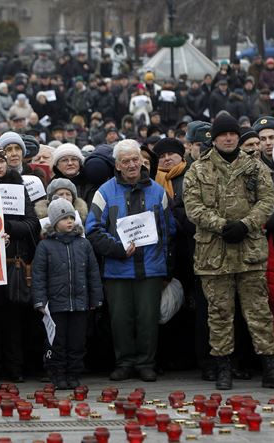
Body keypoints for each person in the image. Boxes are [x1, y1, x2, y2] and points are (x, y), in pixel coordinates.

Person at [183, 113, 274, 390]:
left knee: (259, 313)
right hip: (215, 254)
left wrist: (246, 225)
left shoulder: (256, 167)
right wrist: (223, 226)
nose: (228, 138)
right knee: (219, 314)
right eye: (223, 134)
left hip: (249, 251)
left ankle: (269, 365)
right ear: (215, 138)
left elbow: (268, 200)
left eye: (232, 134)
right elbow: (193, 208)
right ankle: (222, 367)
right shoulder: (198, 170)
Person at [86, 139, 175, 382]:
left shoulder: (158, 191)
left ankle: (147, 363)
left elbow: (169, 231)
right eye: (126, 161)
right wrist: (117, 249)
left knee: (148, 319)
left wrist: (167, 267)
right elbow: (92, 230)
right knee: (120, 320)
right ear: (117, 165)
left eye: (135, 159)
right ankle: (124, 362)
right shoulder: (104, 192)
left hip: (151, 267)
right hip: (117, 269)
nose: (132, 164)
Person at [0, 146, 40, 383]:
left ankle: (15, 368)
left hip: (14, 263)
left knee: (14, 320)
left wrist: (9, 229)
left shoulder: (18, 187)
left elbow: (32, 223)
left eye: (2, 161)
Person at [32, 198, 103, 389]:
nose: (69, 221)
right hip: (55, 305)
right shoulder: (45, 246)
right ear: (54, 222)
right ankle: (57, 374)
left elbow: (92, 272)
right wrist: (40, 300)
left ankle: (74, 374)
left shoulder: (83, 244)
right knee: (57, 341)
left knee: (77, 342)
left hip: (79, 303)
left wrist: (96, 298)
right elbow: (39, 275)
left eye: (72, 217)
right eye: (64, 218)